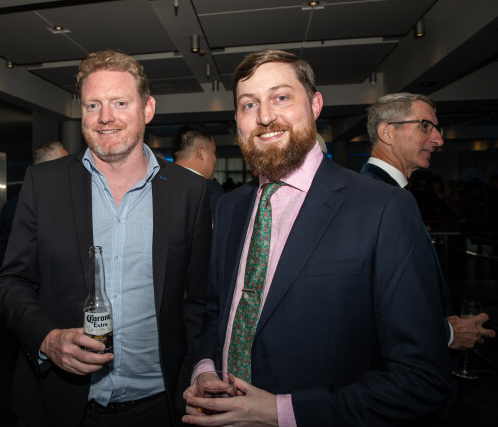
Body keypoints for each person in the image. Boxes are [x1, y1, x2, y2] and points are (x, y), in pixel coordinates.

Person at [182, 50, 452, 426]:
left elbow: (421, 377)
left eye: (281, 97)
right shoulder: (231, 207)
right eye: (249, 104)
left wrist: (281, 413)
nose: (264, 116)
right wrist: (206, 368)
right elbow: (216, 312)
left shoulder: (383, 208)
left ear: (315, 105)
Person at [0, 50, 211, 427]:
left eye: (120, 103)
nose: (105, 117)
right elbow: (11, 281)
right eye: (93, 105)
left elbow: (201, 300)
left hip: (159, 404)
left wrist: (189, 370)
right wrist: (48, 339)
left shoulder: (189, 191)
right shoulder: (44, 184)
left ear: (147, 109)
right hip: (63, 403)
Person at [362, 92, 496, 350]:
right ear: (387, 133)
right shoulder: (378, 196)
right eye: (425, 126)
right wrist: (445, 333)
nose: (438, 139)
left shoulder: (385, 192)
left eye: (436, 128)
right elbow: (370, 297)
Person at [0, 141, 68, 266]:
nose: (70, 170)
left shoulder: (58, 200)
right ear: (49, 169)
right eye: (65, 165)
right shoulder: (21, 206)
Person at [172, 125, 225, 220]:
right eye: (213, 152)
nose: (215, 159)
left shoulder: (157, 184)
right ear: (201, 153)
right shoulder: (208, 189)